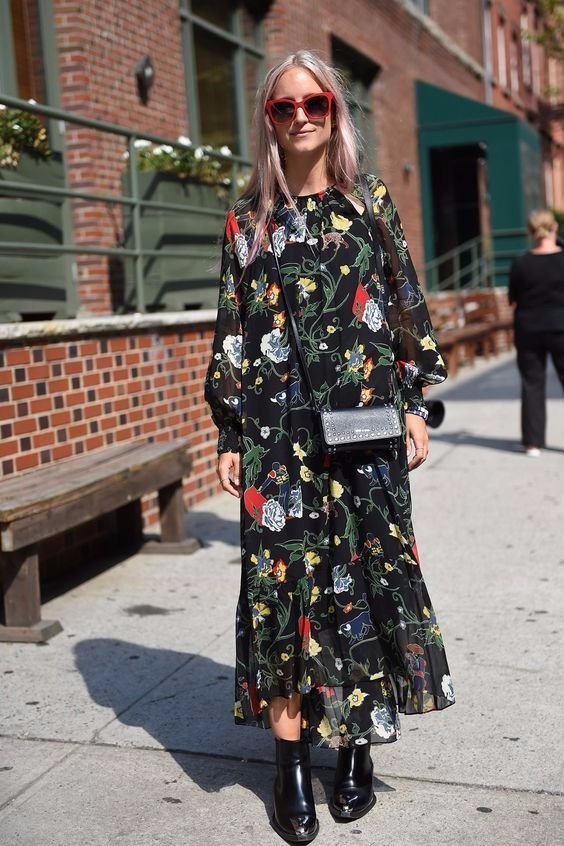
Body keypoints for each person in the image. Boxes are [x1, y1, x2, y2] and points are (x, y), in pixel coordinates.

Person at [204, 50, 454, 843]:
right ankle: (288, 765)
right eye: (285, 106)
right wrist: (230, 431)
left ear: (335, 111)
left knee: (360, 586)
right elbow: (233, 329)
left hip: (365, 432)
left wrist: (413, 404)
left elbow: (403, 304)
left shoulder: (368, 201)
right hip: (278, 440)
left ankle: (355, 748)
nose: (302, 116)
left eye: (315, 102)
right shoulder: (246, 222)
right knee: (281, 592)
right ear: (268, 120)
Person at [509, 209, 564, 457]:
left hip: (529, 327)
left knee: (532, 383)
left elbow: (512, 297)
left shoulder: (521, 262)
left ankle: (532, 443)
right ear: (555, 228)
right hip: (561, 325)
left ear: (531, 232)